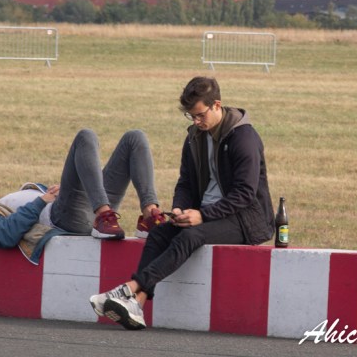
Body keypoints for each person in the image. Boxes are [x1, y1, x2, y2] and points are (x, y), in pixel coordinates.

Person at [89, 77, 274, 330]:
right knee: (159, 234)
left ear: (216, 105)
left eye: (200, 115)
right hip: (207, 213)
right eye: (191, 116)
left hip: (245, 219)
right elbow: (185, 182)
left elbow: (245, 194)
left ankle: (128, 289)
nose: (196, 121)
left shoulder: (244, 138)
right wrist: (179, 208)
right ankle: (137, 305)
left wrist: (203, 216)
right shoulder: (194, 137)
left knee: (189, 236)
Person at [0, 129, 168, 263]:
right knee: (85, 137)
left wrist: (55, 192)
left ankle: (149, 215)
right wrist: (41, 202)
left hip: (81, 205)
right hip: (65, 218)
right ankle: (103, 216)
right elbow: (2, 236)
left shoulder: (8, 199)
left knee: (134, 138)